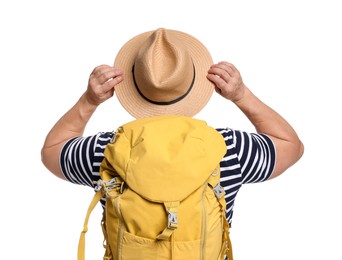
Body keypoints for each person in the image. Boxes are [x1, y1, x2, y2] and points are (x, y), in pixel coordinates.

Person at [41, 28, 304, 237]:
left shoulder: (104, 151)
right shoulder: (228, 148)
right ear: (194, 82)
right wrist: (242, 95)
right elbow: (291, 145)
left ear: (133, 85)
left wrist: (89, 100)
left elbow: (51, 150)